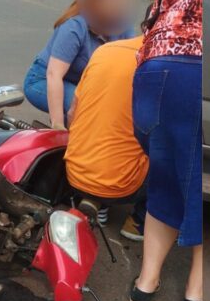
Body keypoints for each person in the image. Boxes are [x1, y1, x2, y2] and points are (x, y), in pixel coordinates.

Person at [128, 0, 203, 301]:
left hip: (156, 67)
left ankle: (147, 280)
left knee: (166, 176)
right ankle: (195, 290)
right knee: (204, 185)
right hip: (202, 71)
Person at [23, 0, 135, 131]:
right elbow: (54, 75)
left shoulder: (122, 26)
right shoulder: (75, 26)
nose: (119, 4)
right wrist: (58, 125)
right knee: (87, 108)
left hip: (83, 86)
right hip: (44, 80)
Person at [64, 36, 149, 240]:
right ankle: (138, 222)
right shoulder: (166, 64)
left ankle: (95, 202)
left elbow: (72, 114)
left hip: (74, 171)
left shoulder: (105, 51)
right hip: (121, 185)